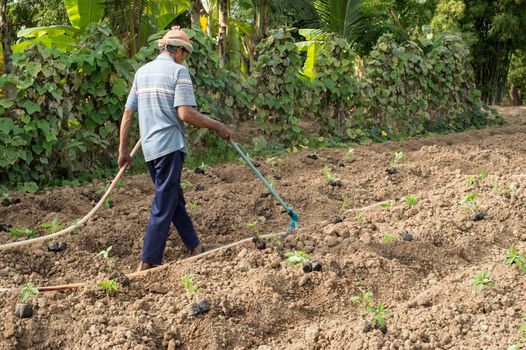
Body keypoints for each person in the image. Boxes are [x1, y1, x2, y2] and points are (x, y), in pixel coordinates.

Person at [118, 26, 231, 272]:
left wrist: (123, 150)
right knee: (163, 204)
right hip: (169, 147)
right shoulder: (179, 72)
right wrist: (217, 125)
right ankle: (148, 261)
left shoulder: (142, 72)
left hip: (149, 149)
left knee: (172, 199)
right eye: (185, 54)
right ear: (178, 51)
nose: (184, 59)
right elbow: (185, 113)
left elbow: (128, 114)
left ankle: (195, 246)